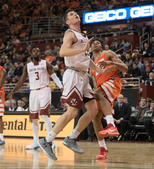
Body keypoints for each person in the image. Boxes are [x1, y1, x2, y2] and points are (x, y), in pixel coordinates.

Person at [38, 9, 116, 160]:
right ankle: (46, 141)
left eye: (76, 13)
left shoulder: (83, 36)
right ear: (68, 22)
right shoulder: (70, 33)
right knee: (72, 112)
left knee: (93, 111)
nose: (75, 15)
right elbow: (62, 52)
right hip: (73, 75)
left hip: (84, 76)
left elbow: (86, 59)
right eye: (71, 15)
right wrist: (82, 48)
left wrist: (100, 70)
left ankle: (71, 138)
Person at [7, 46, 63, 150]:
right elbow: (21, 81)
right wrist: (13, 91)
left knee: (45, 115)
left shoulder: (45, 63)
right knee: (33, 118)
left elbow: (54, 76)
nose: (36, 52)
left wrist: (61, 87)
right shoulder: (27, 66)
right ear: (31, 54)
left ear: (40, 54)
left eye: (37, 51)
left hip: (44, 90)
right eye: (34, 51)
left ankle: (50, 141)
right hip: (33, 92)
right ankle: (36, 141)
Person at [90, 38, 128, 160]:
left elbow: (125, 68)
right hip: (102, 90)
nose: (96, 44)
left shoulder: (108, 54)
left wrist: (112, 64)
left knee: (97, 93)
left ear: (101, 47)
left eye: (98, 43)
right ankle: (103, 149)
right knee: (96, 118)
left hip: (113, 82)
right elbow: (96, 85)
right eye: (93, 43)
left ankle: (111, 125)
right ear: (90, 48)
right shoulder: (91, 67)